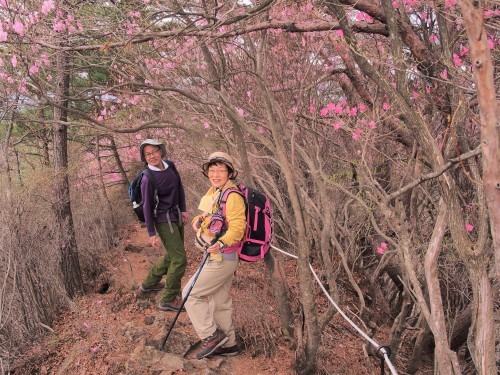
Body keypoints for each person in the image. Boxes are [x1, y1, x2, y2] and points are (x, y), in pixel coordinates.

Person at [183, 152, 246, 359]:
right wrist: (197, 221)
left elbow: (238, 228)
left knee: (190, 294)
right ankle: (230, 345)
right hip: (219, 256)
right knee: (219, 302)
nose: (216, 174)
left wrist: (220, 243)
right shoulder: (216, 191)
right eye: (212, 170)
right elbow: (206, 215)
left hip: (222, 257)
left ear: (229, 172)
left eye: (221, 170)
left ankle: (212, 335)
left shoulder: (232, 195)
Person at [138, 139, 189, 312]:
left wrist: (183, 209)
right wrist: (151, 232)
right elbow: (147, 207)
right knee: (179, 258)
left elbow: (179, 187)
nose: (152, 156)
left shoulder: (170, 166)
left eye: (154, 152)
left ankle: (148, 284)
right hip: (162, 219)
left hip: (176, 215)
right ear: (144, 157)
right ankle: (168, 298)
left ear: (161, 151)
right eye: (148, 154)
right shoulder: (147, 178)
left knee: (173, 254)